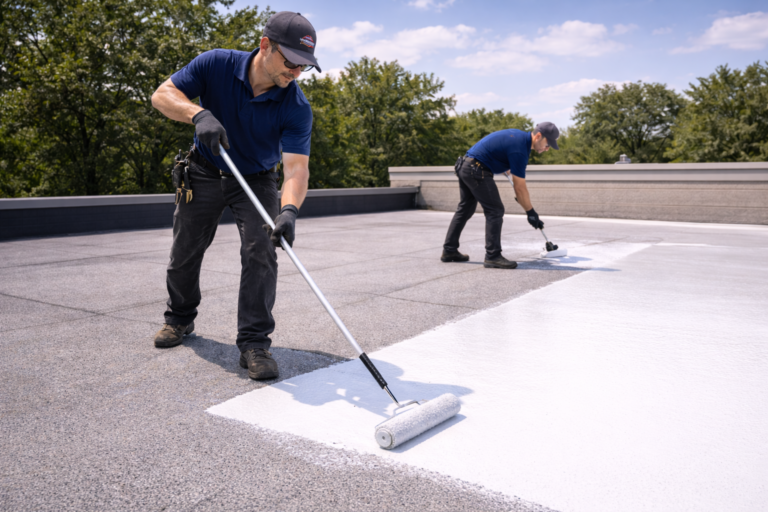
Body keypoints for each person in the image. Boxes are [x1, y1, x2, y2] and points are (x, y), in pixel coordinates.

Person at [149, 11, 320, 380]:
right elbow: (161, 95)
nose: (296, 73)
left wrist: (289, 210)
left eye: (304, 67)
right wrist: (198, 114)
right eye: (291, 62)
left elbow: (295, 170)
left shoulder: (296, 107)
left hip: (257, 179)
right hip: (205, 170)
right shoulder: (216, 64)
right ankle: (179, 318)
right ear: (265, 46)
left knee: (262, 252)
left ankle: (254, 343)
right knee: (185, 249)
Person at [442, 122, 560, 269]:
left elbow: (506, 161)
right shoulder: (520, 150)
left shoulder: (519, 137)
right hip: (476, 169)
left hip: (466, 165)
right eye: (547, 145)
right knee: (495, 210)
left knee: (465, 209)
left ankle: (449, 250)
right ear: (538, 136)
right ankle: (493, 256)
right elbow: (520, 188)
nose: (547, 149)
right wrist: (531, 212)